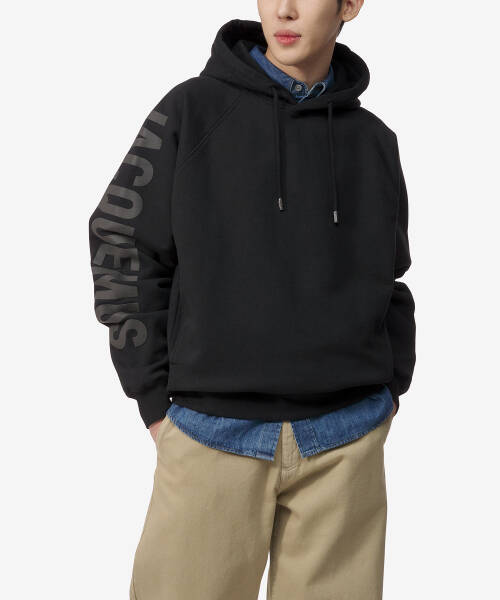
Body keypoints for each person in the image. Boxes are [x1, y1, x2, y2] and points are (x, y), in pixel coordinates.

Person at [88, 1, 416, 598]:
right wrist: (153, 397)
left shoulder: (373, 139)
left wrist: (390, 388)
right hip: (213, 434)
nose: (284, 9)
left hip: (346, 443)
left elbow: (389, 273)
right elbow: (120, 240)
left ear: (349, 4)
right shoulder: (190, 111)